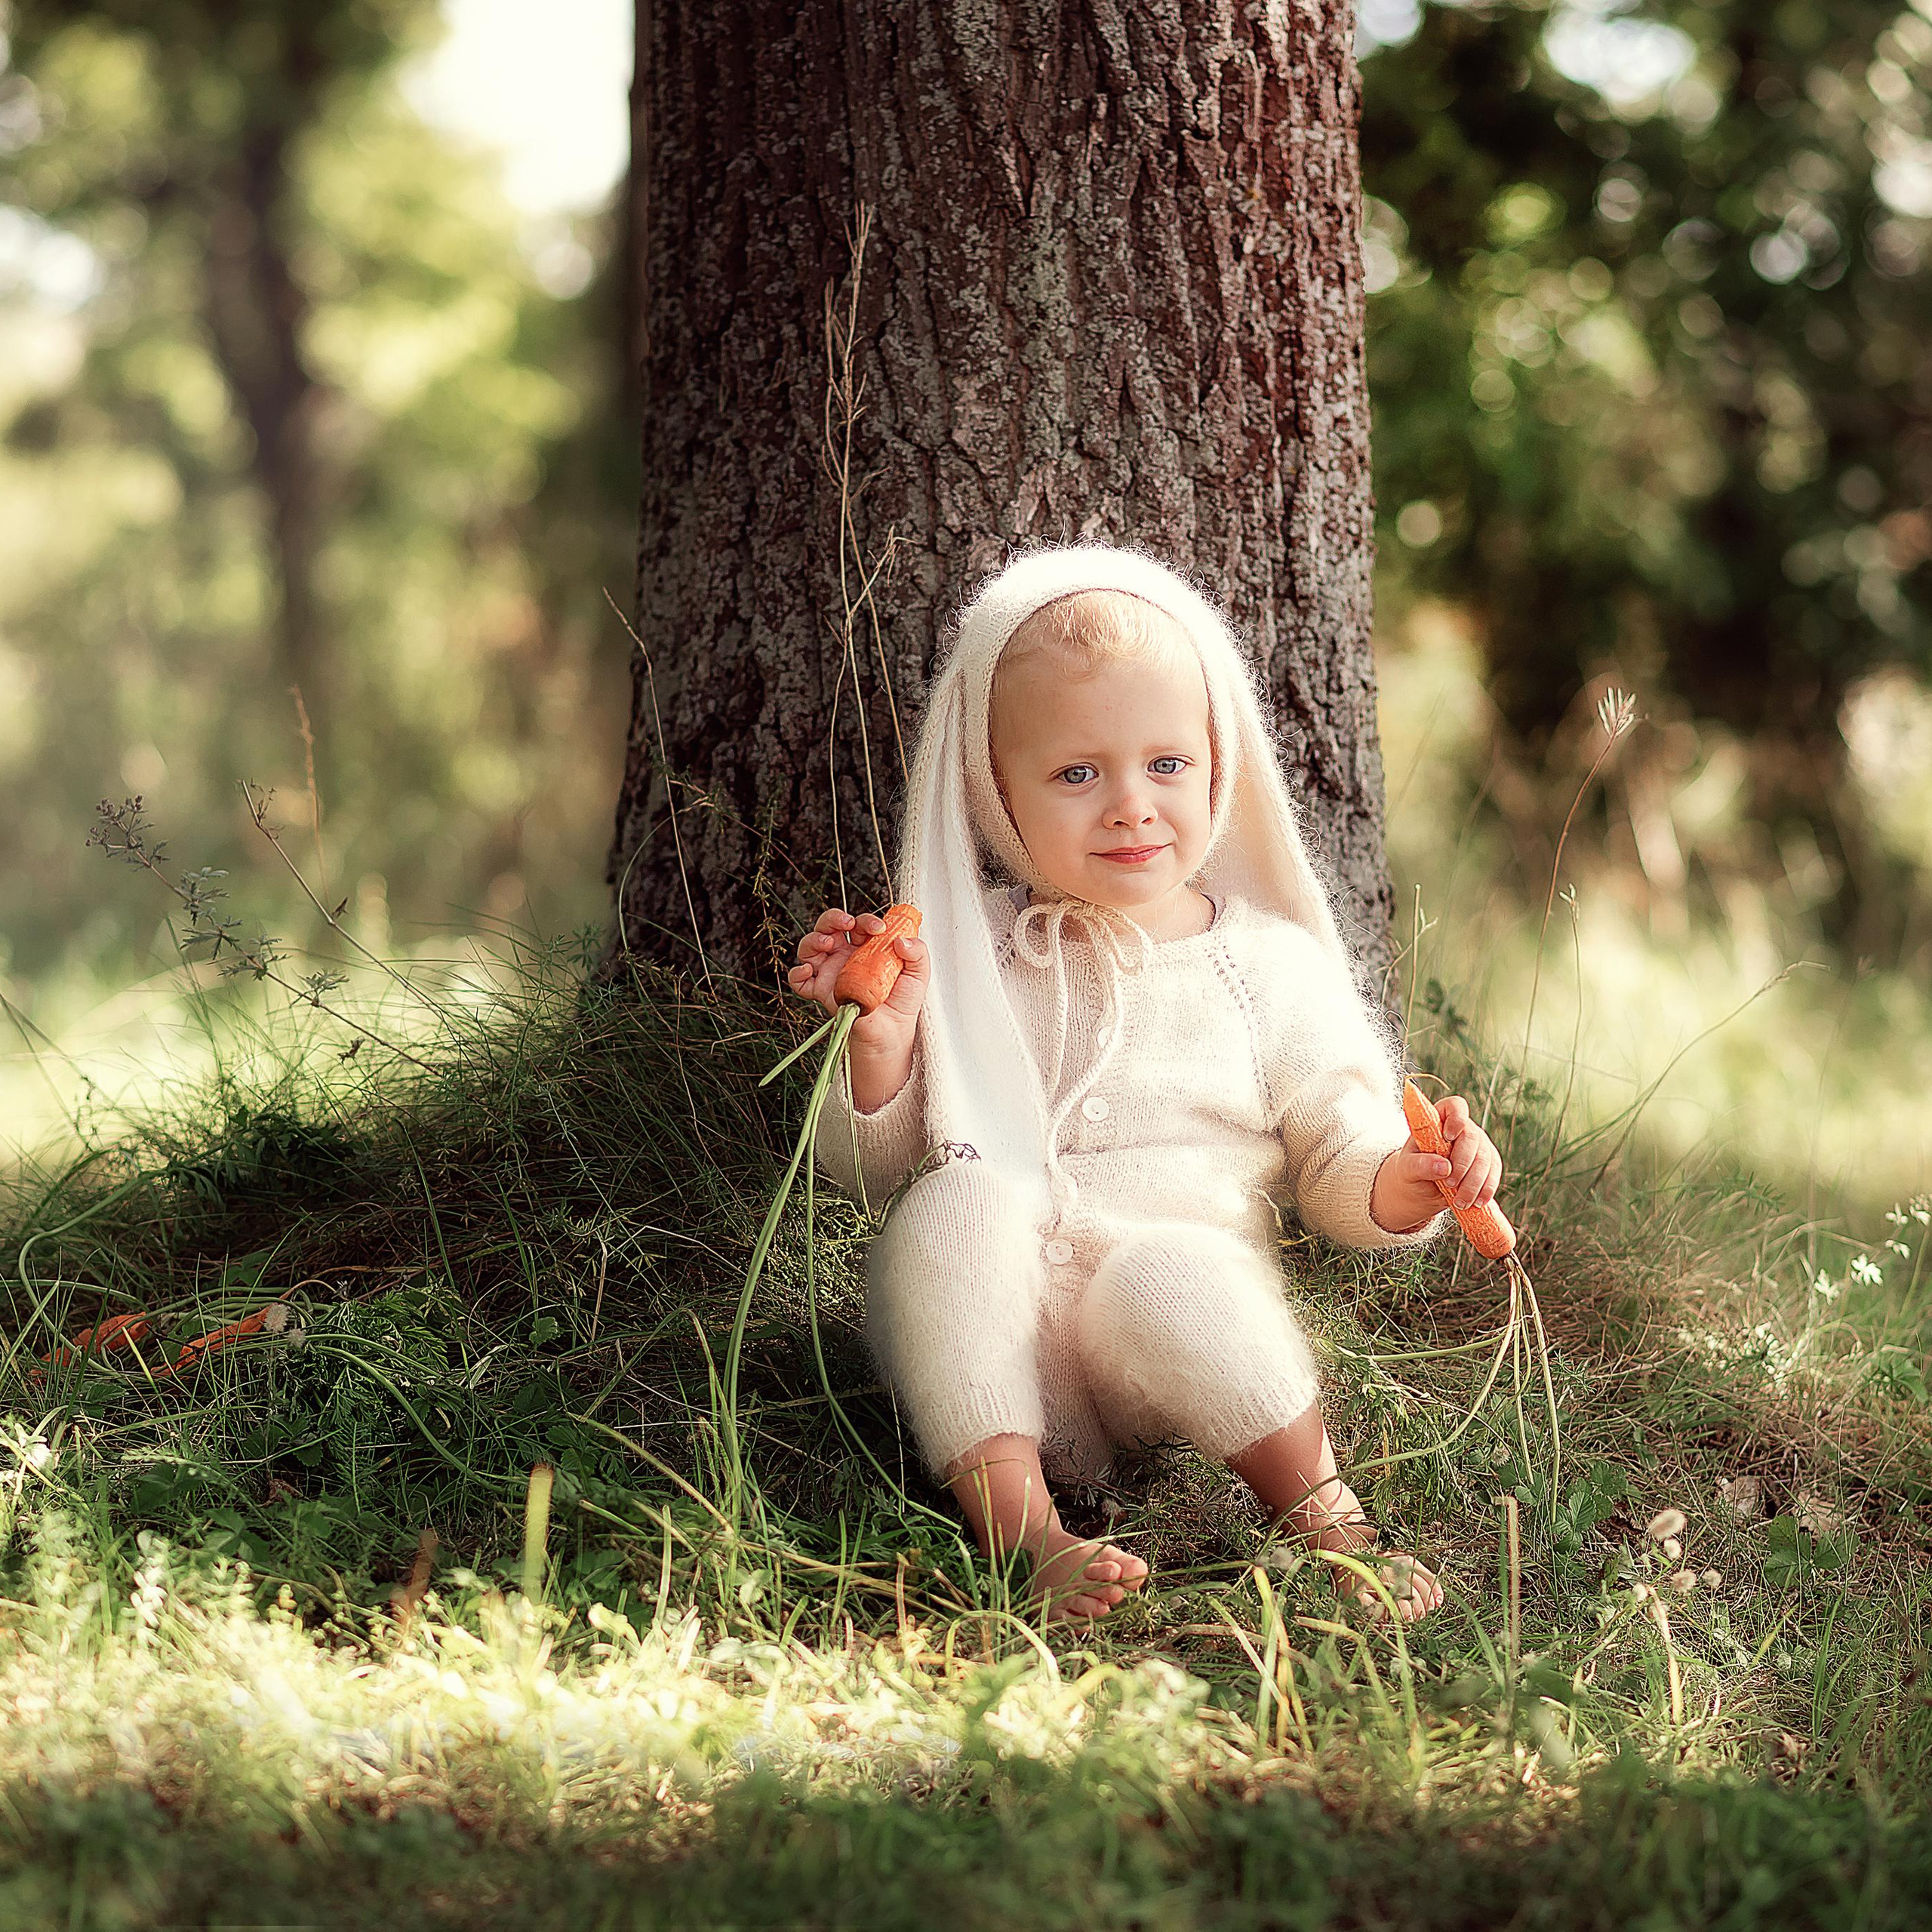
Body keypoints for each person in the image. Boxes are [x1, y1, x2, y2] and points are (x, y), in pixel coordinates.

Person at [788, 545, 1502, 1624]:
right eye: (1078, 774)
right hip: (983, 1337)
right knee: (956, 1199)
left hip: (1160, 1345)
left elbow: (1337, 1159)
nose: (1131, 807)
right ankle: (1028, 1532)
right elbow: (875, 1172)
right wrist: (881, 1044)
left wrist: (1411, 1178)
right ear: (997, 793)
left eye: (1166, 764)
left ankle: (1330, 1525)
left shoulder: (1265, 966)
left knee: (1176, 1271)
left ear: (1220, 765)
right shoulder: (966, 951)